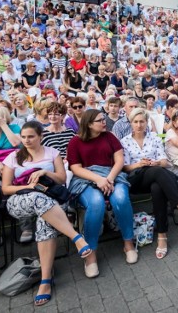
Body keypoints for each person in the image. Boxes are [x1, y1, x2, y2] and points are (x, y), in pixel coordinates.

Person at [2, 121, 92, 307]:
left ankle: (45, 279)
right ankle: (77, 237)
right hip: (19, 200)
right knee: (39, 200)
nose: (26, 140)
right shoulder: (13, 157)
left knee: (45, 220)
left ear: (40, 137)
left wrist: (44, 172)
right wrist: (30, 187)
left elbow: (61, 179)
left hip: (50, 201)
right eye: (24, 137)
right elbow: (5, 188)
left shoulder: (52, 153)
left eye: (31, 137)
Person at [121, 108, 178, 258]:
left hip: (156, 176)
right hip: (136, 179)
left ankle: (162, 237)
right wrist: (139, 164)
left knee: (157, 187)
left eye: (142, 121)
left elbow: (165, 162)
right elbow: (125, 167)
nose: (139, 125)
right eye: (136, 122)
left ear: (147, 122)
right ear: (131, 123)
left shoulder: (154, 138)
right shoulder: (125, 141)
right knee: (157, 173)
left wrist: (156, 162)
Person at [67, 110, 138, 276]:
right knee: (96, 203)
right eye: (100, 120)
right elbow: (75, 168)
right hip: (86, 177)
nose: (104, 122)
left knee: (120, 199)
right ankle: (91, 253)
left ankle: (128, 242)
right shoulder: (75, 142)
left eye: (104, 119)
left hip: (112, 174)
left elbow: (119, 160)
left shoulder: (110, 137)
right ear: (89, 124)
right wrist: (98, 179)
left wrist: (110, 178)